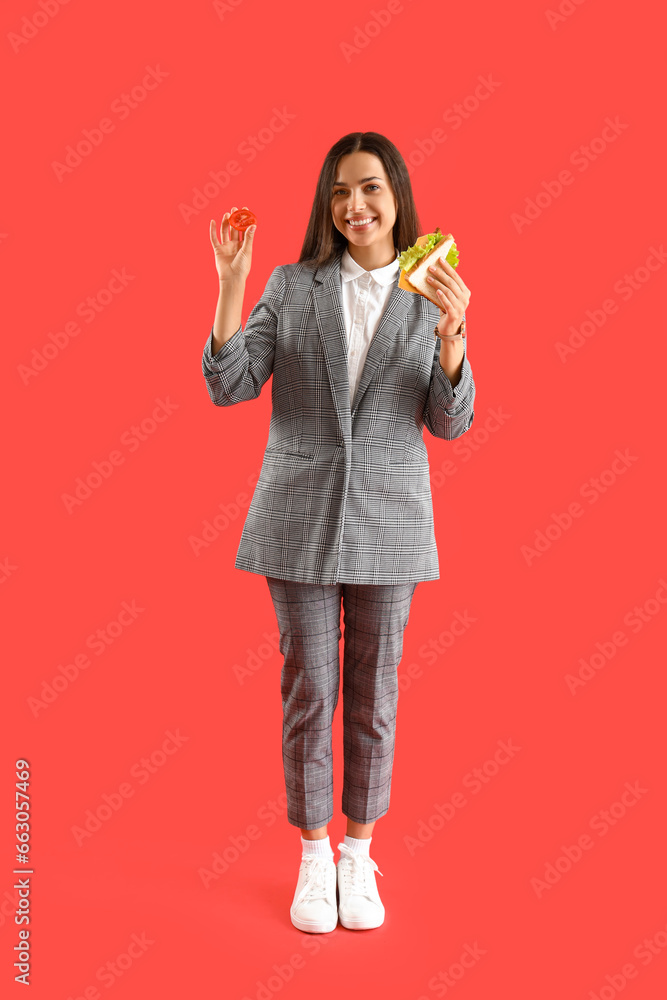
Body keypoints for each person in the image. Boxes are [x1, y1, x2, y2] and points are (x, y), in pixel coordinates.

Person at [201, 131, 475, 934]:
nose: (354, 206)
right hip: (299, 513)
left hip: (390, 518)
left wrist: (454, 337)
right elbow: (230, 386)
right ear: (327, 205)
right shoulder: (291, 286)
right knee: (309, 688)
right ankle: (312, 855)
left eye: (370, 189)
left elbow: (448, 423)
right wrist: (231, 284)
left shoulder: (434, 289)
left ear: (397, 197)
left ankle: (359, 855)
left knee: (374, 695)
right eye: (339, 192)